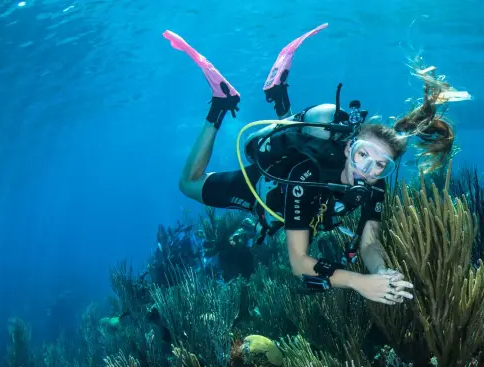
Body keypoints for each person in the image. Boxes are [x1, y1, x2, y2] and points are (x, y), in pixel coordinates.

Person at [167, 25, 462, 306]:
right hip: (264, 187)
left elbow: (370, 243)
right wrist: (359, 282)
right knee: (187, 184)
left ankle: (279, 96)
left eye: (380, 165)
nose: (367, 170)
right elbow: (298, 261)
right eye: (362, 156)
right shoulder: (305, 177)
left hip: (304, 190)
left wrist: (380, 271)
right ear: (348, 147)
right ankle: (220, 105)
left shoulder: (375, 187)